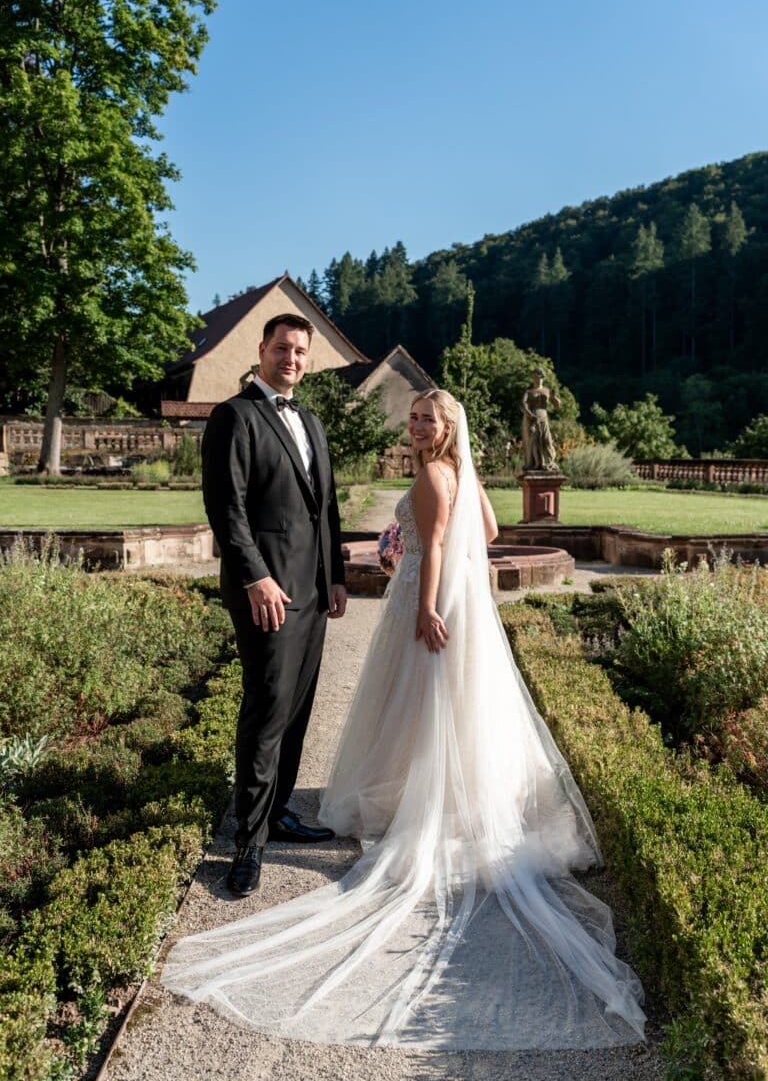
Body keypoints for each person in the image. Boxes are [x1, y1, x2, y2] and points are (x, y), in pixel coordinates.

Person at [164, 390, 645, 1050]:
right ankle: (452, 801)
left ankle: (426, 808)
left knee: (416, 706)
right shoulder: (462, 473)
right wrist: (411, 543)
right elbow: (491, 533)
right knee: (449, 711)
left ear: (447, 428)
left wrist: (419, 597)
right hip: (461, 601)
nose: (416, 424)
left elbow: (440, 544)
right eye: (414, 416)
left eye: (427, 418)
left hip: (429, 598)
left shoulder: (430, 474)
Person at [200, 312, 347, 898]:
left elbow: (326, 508)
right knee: (265, 710)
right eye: (282, 348)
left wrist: (335, 578)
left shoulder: (311, 422)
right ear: (261, 349)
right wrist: (256, 577)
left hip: (313, 594)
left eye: (301, 352)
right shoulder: (234, 416)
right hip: (267, 594)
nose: (291, 359)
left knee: (298, 709)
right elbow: (225, 508)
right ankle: (248, 842)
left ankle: (280, 810)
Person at [522, 366, 561, 470]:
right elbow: (524, 405)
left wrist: (554, 397)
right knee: (535, 442)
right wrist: (530, 415)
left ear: (542, 377)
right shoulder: (529, 392)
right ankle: (538, 464)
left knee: (547, 441)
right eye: (534, 376)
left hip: (544, 418)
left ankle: (549, 462)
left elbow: (558, 406)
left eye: (538, 376)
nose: (536, 378)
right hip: (533, 419)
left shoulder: (547, 391)